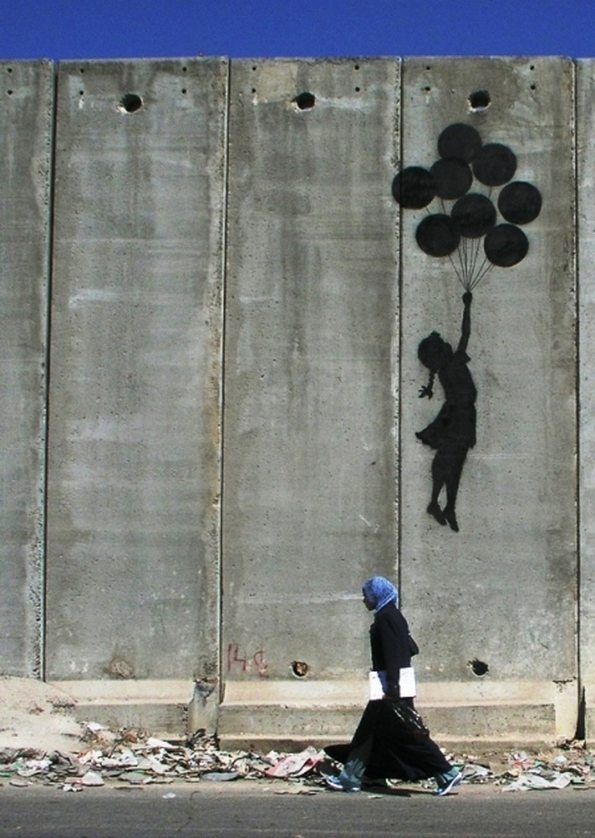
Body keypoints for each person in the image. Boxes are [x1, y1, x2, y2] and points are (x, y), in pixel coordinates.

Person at [324, 576, 462, 795]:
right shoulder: (391, 615)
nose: (364, 600)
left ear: (376, 595)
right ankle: (366, 776)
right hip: (391, 687)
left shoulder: (386, 617)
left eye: (366, 595)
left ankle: (446, 773)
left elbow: (393, 655)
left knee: (405, 735)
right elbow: (411, 648)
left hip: (390, 690)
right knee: (376, 735)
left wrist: (392, 687)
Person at [416, 291, 476, 532]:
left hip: (463, 415)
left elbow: (465, 334)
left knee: (452, 462)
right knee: (449, 461)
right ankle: (437, 503)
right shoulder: (453, 363)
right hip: (457, 416)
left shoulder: (446, 367)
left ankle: (446, 505)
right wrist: (467, 307)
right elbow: (465, 333)